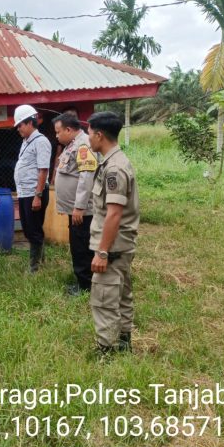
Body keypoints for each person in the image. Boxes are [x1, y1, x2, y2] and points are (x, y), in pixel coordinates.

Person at [86, 111, 140, 355]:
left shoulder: (114, 169)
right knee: (122, 293)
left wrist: (102, 252)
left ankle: (105, 351)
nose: (87, 138)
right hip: (121, 245)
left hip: (113, 247)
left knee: (104, 298)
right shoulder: (113, 162)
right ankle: (124, 341)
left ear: (99, 135)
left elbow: (114, 214)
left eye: (89, 132)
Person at [53, 112, 97, 295]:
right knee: (78, 244)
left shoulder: (83, 145)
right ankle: (83, 281)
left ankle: (86, 285)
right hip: (75, 209)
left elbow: (86, 178)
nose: (56, 136)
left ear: (69, 129)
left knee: (81, 246)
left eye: (58, 132)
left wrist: (79, 206)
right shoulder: (73, 144)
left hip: (82, 210)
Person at [13, 104, 52, 272]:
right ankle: (40, 261)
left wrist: (38, 195)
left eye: (20, 125)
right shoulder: (26, 142)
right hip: (24, 193)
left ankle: (35, 268)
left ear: (30, 123)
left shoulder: (41, 141)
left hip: (34, 193)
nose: (18, 129)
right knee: (28, 229)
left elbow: (43, 170)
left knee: (34, 230)